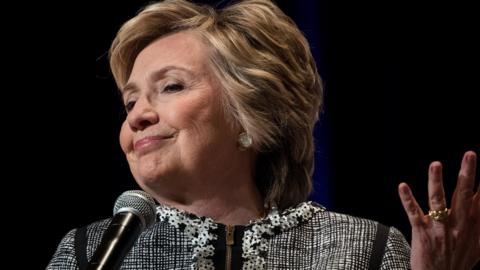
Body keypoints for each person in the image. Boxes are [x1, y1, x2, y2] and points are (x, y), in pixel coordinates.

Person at [47, 0, 479, 269]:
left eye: (171, 86)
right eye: (129, 102)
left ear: (250, 115)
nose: (138, 115)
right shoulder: (89, 253)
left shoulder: (367, 249)